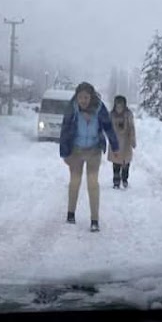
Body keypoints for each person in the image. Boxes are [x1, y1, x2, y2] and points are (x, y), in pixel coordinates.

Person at [59, 82, 119, 233]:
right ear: (76, 97)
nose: (83, 101)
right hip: (76, 150)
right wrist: (65, 153)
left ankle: (94, 220)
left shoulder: (99, 108)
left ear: (91, 97)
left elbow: (108, 127)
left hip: (93, 150)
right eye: (80, 97)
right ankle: (70, 214)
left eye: (86, 97)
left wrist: (115, 146)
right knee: (75, 182)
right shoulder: (72, 108)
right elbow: (65, 129)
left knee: (92, 183)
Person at [107, 95, 137, 189]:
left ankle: (124, 180)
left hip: (126, 142)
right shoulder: (111, 115)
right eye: (117, 104)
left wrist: (132, 140)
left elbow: (132, 128)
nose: (119, 106)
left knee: (125, 163)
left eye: (121, 104)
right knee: (116, 163)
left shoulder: (128, 114)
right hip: (115, 142)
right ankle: (116, 181)